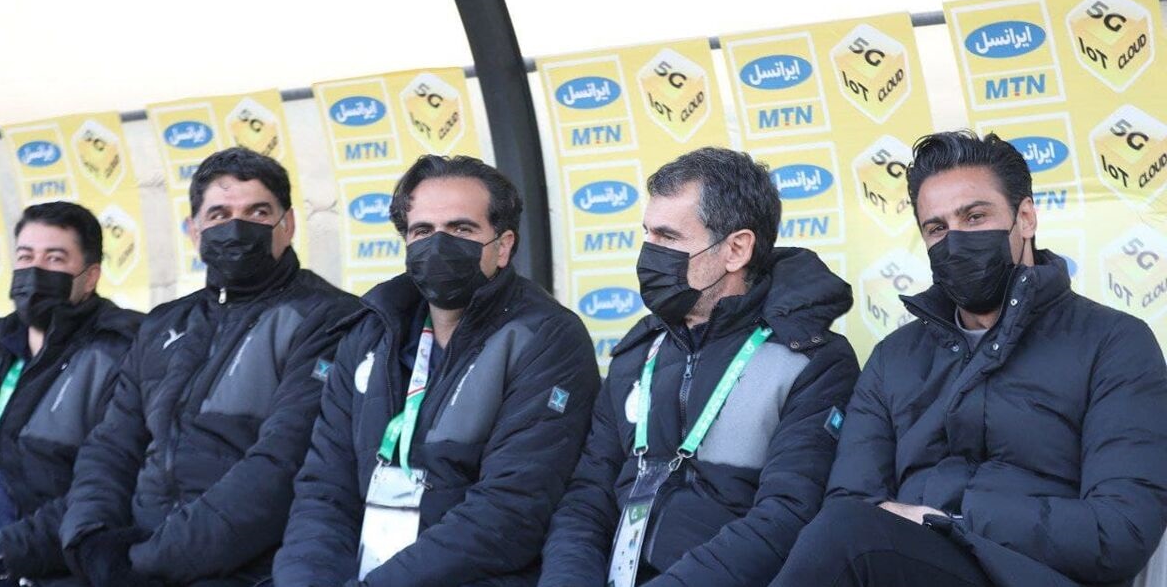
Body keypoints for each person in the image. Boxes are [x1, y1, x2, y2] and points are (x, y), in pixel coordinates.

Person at [773, 130, 1167, 587]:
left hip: (1042, 575)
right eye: (937, 228)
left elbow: (1118, 532)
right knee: (840, 530)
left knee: (848, 535)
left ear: (1025, 218)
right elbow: (851, 501)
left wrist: (949, 520)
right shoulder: (893, 358)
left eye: (975, 217)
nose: (955, 241)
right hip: (915, 568)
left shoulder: (1114, 342)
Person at [273, 155, 600, 586]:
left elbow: (510, 510)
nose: (438, 244)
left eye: (461, 229)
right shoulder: (369, 331)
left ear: (503, 246)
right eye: (423, 231)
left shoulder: (547, 337)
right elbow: (323, 491)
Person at [539, 147, 860, 587]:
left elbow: (787, 518)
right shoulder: (639, 352)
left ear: (736, 249)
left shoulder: (812, 361)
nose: (648, 254)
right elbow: (585, 500)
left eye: (668, 238)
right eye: (647, 235)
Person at [58, 148, 359, 586]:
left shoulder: (329, 317)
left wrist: (146, 561)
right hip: (140, 557)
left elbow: (282, 465)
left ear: (289, 224)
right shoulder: (163, 324)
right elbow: (112, 444)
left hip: (250, 570)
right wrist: (89, 539)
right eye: (219, 214)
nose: (237, 227)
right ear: (193, 231)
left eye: (258, 212)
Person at [0, 202, 141, 586]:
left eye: (55, 258)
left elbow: (111, 490)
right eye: (26, 257)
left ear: (90, 277)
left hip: (55, 568)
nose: (35, 271)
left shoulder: (124, 353)